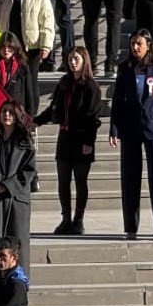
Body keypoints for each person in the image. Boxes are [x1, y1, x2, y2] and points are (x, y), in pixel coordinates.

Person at [109, 30, 153, 241]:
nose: (135, 48)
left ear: (148, 45)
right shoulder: (125, 68)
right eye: (132, 44)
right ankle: (131, 227)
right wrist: (114, 128)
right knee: (130, 178)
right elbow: (117, 101)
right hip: (130, 129)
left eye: (139, 44)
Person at [36, 46, 102, 234]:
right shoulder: (64, 83)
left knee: (80, 181)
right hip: (65, 137)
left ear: (84, 61)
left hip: (82, 139)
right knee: (63, 181)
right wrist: (36, 121)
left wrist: (89, 143)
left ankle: (78, 219)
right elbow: (53, 108)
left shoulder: (91, 87)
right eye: (71, 59)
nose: (73, 62)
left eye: (77, 59)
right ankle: (65, 218)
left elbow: (93, 118)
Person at [0, 102, 36, 267]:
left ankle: (19, 284)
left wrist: (5, 186)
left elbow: (28, 172)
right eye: (3, 111)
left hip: (16, 199)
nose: (6, 115)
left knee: (18, 243)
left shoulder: (25, 141)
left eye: (10, 112)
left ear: (17, 116)